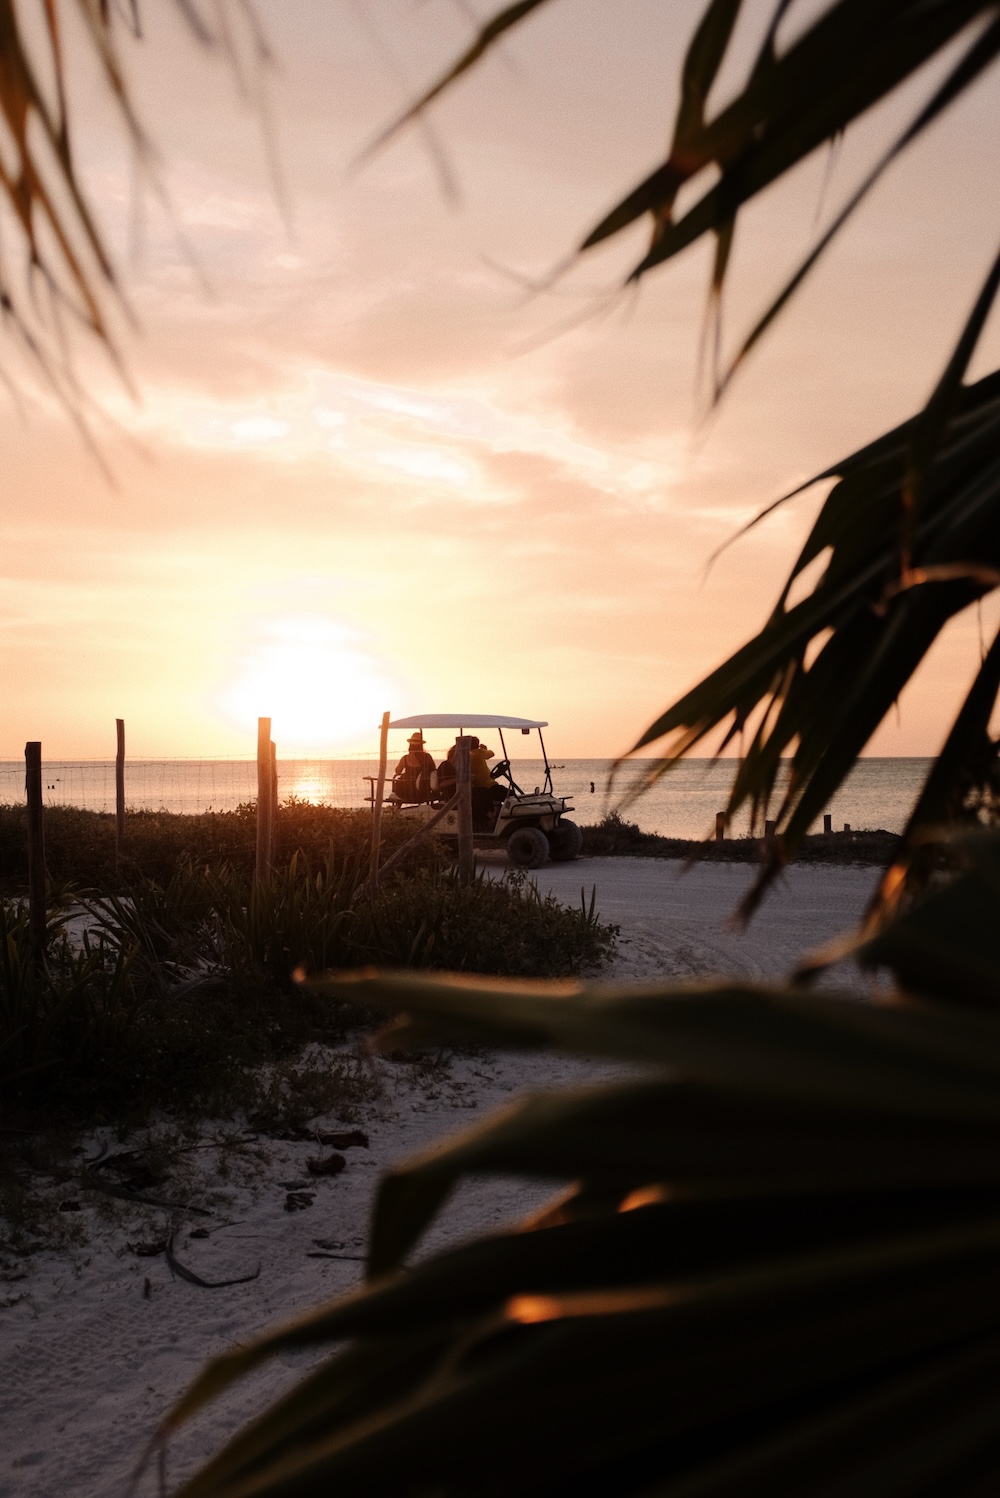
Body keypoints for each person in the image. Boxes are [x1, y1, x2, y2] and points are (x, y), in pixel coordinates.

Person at [391, 732, 435, 803]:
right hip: (422, 789)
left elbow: (398, 771)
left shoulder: (405, 758)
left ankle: (396, 810)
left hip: (406, 790)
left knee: (398, 783)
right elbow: (433, 770)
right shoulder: (427, 757)